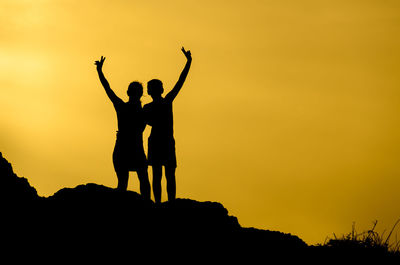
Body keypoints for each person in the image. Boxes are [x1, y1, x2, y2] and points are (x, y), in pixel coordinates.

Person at [95, 56, 150, 199]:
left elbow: (108, 89)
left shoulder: (123, 107)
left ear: (128, 93)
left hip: (125, 149)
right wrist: (100, 72)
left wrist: (99, 71)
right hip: (130, 149)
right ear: (140, 94)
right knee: (141, 182)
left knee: (124, 185)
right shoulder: (140, 111)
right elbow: (108, 89)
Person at [143, 47, 192, 203]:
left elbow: (180, 81)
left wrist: (188, 62)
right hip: (163, 142)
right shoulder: (164, 102)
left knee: (162, 174)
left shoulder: (154, 106)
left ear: (150, 91)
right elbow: (180, 82)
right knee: (165, 174)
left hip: (161, 141)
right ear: (161, 89)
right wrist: (189, 62)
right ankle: (167, 203)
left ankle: (162, 203)